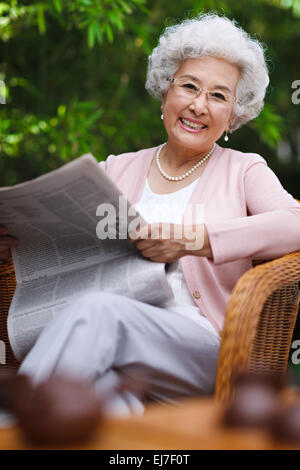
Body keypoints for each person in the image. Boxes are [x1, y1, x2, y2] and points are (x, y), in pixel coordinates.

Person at [1, 13, 300, 417]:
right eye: (189, 86)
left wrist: (192, 240)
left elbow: (294, 223)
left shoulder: (244, 170)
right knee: (106, 394)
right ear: (165, 92)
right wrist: (15, 245)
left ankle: (11, 428)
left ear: (233, 115)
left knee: (99, 311)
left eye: (218, 95)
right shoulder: (114, 168)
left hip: (202, 350)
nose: (198, 105)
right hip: (110, 347)